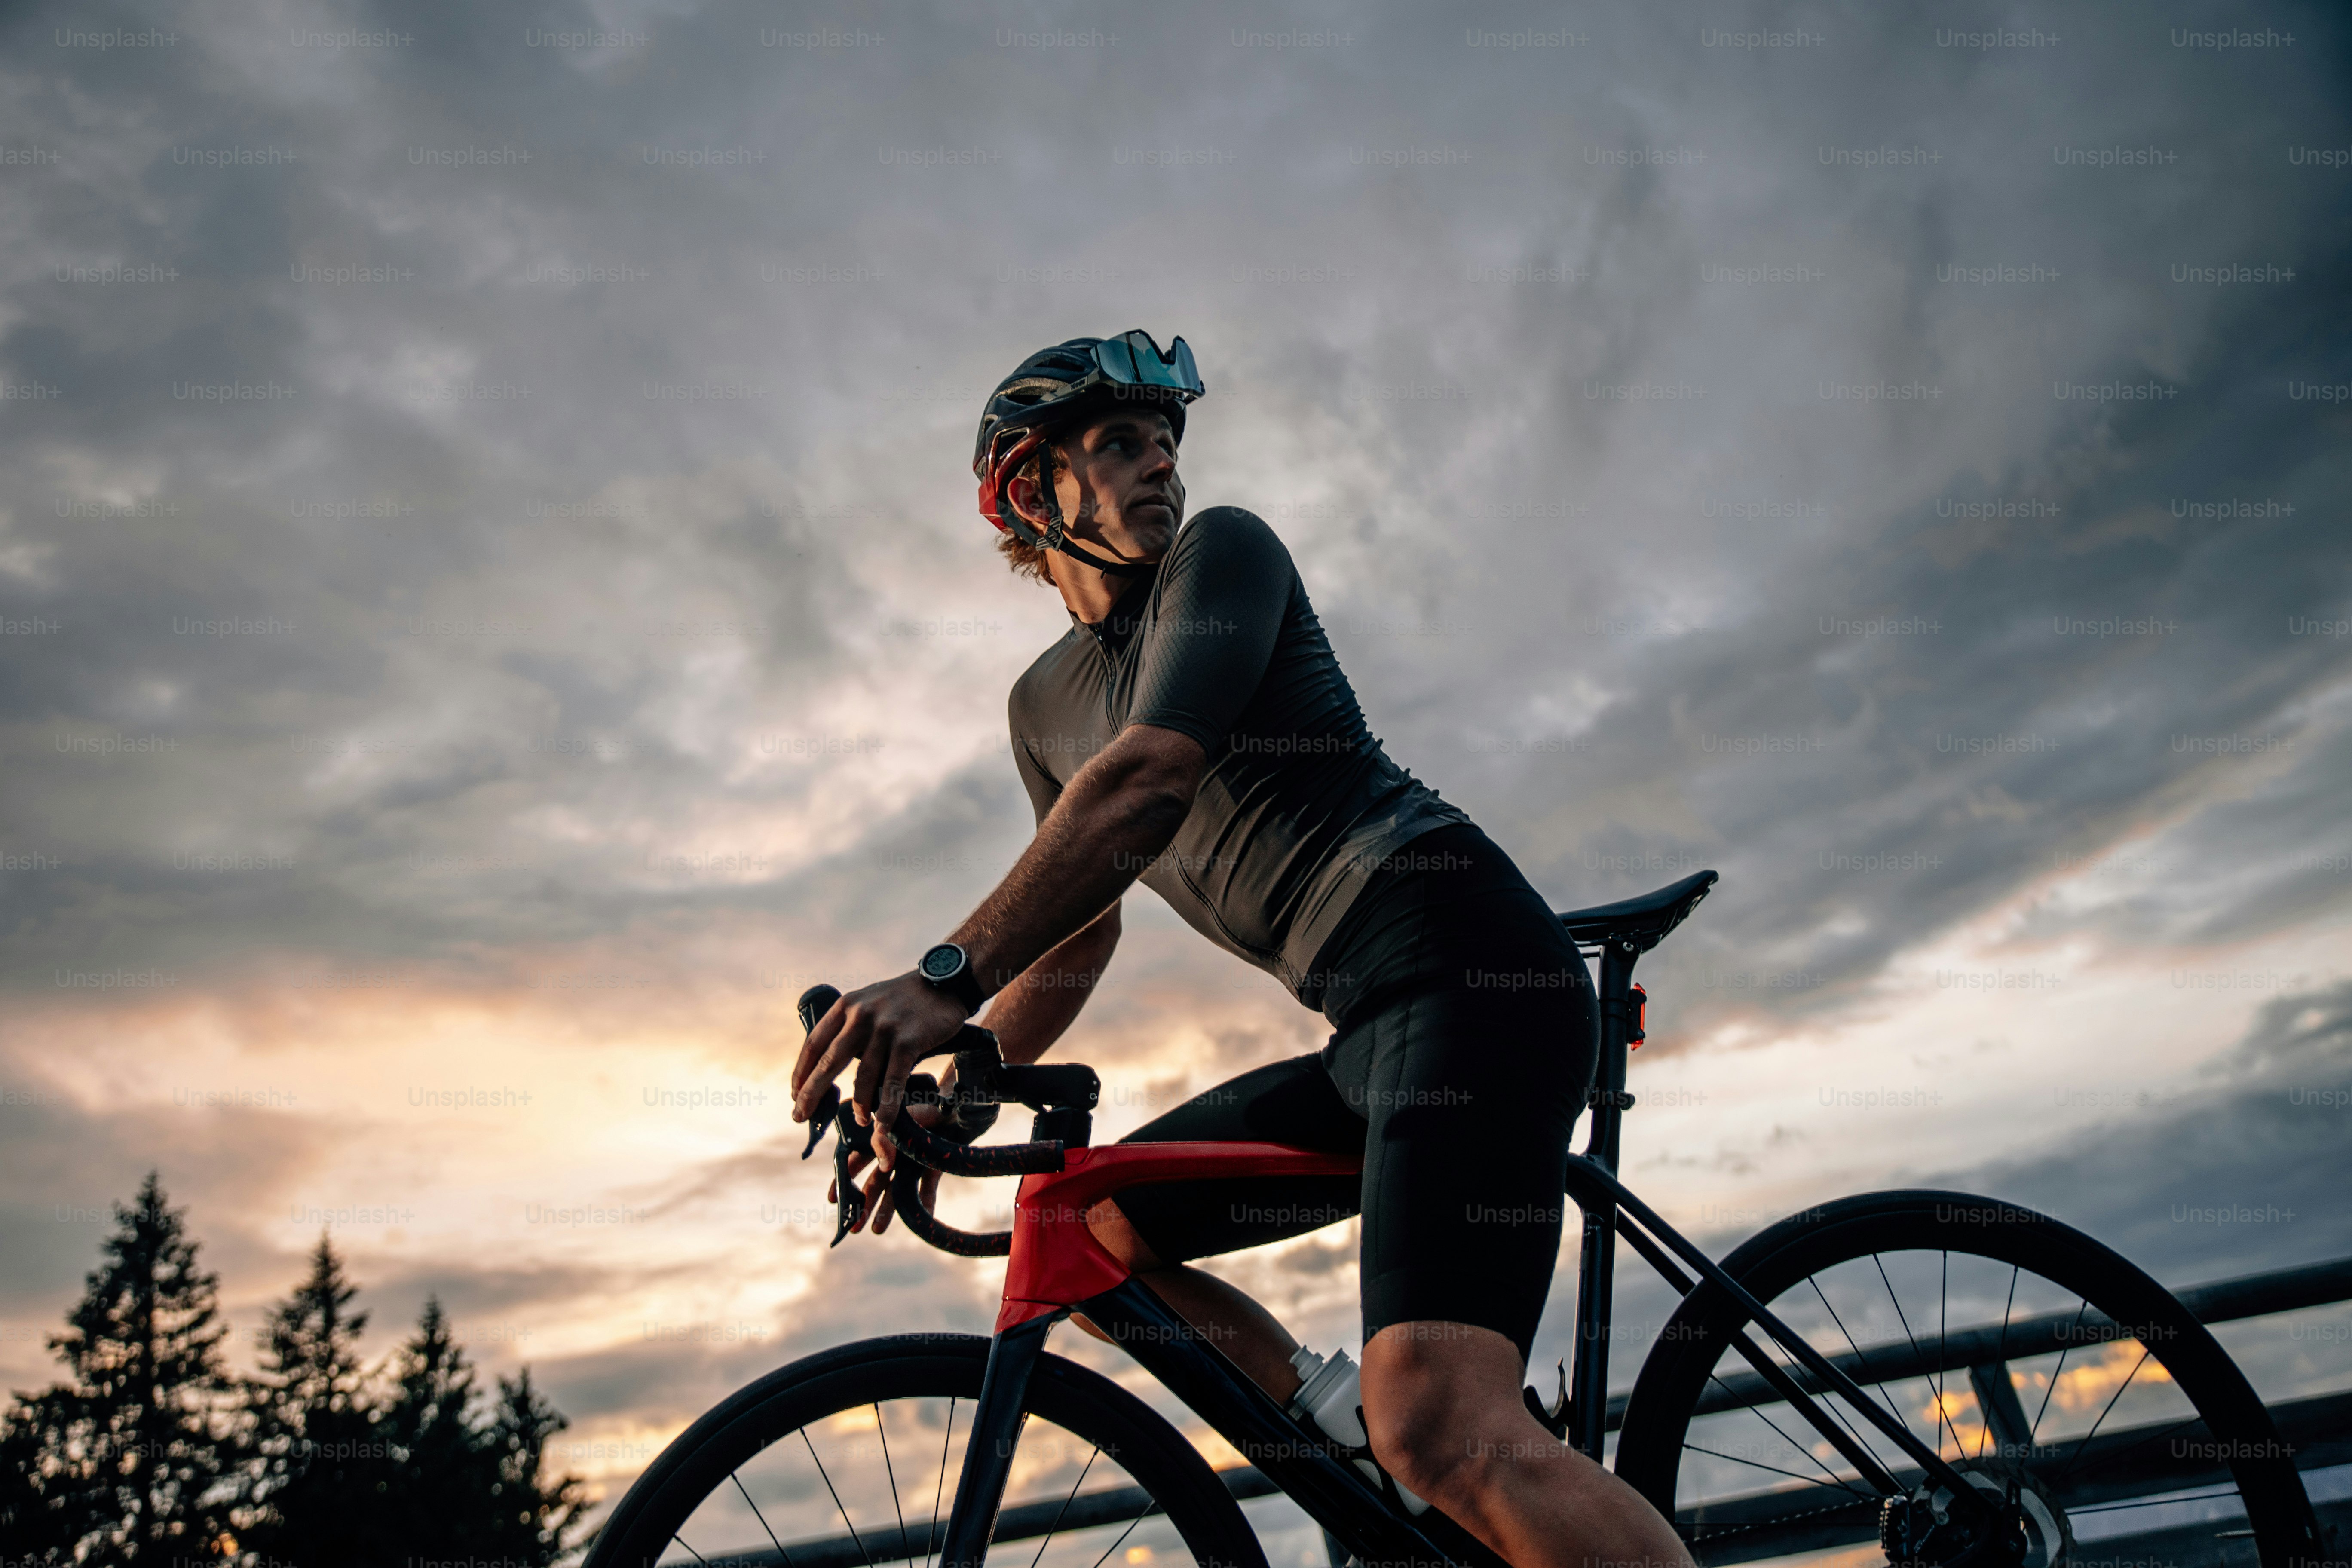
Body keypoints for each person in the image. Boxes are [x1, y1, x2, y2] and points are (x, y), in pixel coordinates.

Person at [790, 331, 1692, 1568]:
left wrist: (943, 979)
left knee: (1443, 1424)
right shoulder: (1041, 706)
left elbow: (1151, 782)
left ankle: (1418, 1449)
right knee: (1097, 1230)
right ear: (1025, 492)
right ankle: (1357, 1449)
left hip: (1465, 968)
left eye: (1163, 440)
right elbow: (1082, 931)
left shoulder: (1226, 551)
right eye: (1116, 445)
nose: (1159, 463)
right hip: (1375, 1024)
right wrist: (964, 1082)